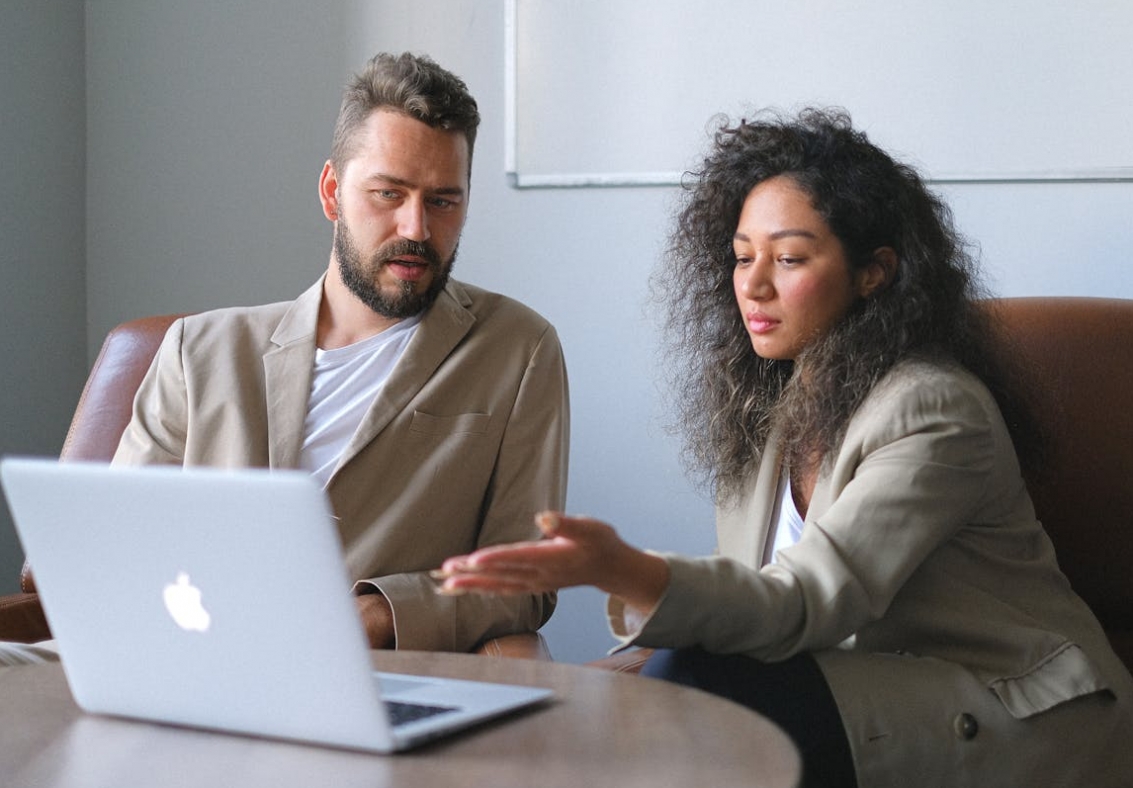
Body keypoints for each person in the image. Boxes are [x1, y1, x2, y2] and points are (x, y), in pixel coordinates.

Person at [435, 109, 1133, 787]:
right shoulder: (769, 408)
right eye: (742, 258)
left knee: (701, 687)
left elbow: (805, 600)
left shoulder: (933, 408)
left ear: (874, 272)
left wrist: (620, 568)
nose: (753, 285)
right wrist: (585, 684)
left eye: (789, 257)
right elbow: (749, 608)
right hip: (865, 689)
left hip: (1013, 710)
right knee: (633, 704)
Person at [1, 51, 568, 665]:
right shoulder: (202, 349)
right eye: (388, 194)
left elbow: (527, 576)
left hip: (355, 673)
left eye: (443, 201)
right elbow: (118, 546)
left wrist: (382, 614)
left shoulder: (516, 348)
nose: (417, 228)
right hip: (165, 652)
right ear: (332, 192)